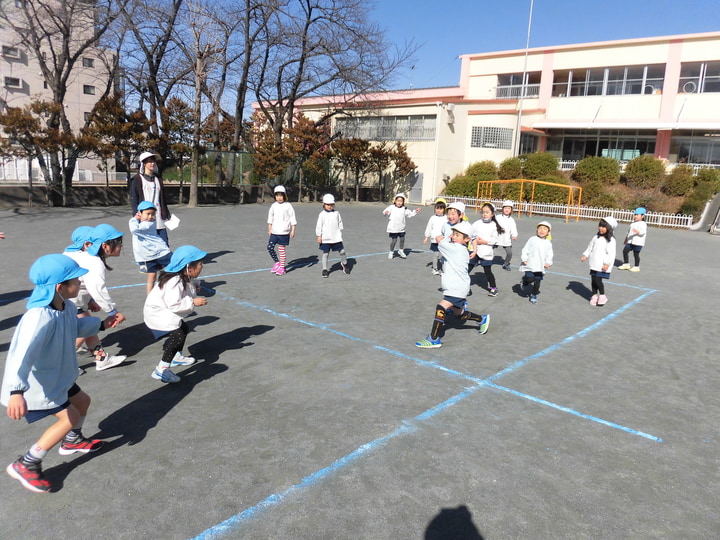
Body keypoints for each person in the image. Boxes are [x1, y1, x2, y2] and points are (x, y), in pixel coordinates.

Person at [2, 254, 120, 493]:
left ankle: (73, 440)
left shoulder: (65, 306)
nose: (80, 283)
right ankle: (27, 463)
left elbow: (75, 327)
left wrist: (101, 325)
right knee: (69, 417)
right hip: (38, 385)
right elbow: (21, 356)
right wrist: (16, 391)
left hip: (59, 377)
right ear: (60, 287)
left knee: (83, 402)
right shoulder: (38, 317)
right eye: (76, 280)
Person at [415, 221, 490, 348]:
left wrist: (446, 236)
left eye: (457, 235)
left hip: (457, 287)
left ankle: (433, 339)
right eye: (453, 234)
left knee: (441, 307)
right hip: (457, 287)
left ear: (466, 239)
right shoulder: (459, 249)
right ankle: (482, 319)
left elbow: (440, 241)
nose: (453, 237)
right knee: (459, 314)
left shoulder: (456, 249)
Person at [63, 224, 127, 371]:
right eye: (118, 243)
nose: (121, 247)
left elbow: (87, 284)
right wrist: (113, 312)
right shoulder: (94, 262)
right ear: (105, 246)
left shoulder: (84, 256)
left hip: (73, 301)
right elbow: (97, 289)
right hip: (71, 302)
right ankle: (63, 365)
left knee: (89, 328)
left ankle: (101, 358)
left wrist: (90, 300)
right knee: (84, 330)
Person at [144, 245, 208, 383]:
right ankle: (162, 369)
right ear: (188, 268)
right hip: (157, 314)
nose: (202, 266)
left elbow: (189, 283)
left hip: (163, 312)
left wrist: (195, 284)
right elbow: (174, 304)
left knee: (183, 329)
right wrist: (193, 302)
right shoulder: (174, 281)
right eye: (200, 264)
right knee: (177, 335)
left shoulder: (182, 276)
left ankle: (175, 356)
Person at [129, 151, 172, 245]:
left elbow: (163, 199)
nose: (152, 163)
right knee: (148, 245)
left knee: (164, 244)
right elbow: (134, 199)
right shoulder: (137, 179)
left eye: (153, 161)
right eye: (149, 161)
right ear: (144, 164)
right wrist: (137, 216)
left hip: (158, 217)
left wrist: (167, 214)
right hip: (145, 217)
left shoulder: (158, 179)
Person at [129, 201, 172, 293]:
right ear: (140, 213)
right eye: (148, 214)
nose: (150, 217)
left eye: (153, 214)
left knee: (172, 270)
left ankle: (178, 286)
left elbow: (134, 229)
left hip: (161, 253)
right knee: (151, 277)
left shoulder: (148, 224)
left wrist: (134, 218)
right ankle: (150, 297)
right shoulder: (142, 223)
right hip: (147, 256)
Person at [581, 216, 617, 307]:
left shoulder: (611, 240)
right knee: (593, 279)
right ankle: (594, 295)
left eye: (604, 226)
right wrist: (586, 255)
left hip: (602, 264)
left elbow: (610, 253)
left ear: (609, 228)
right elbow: (590, 247)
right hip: (594, 263)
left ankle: (602, 296)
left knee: (598, 280)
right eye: (600, 226)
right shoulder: (596, 237)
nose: (601, 228)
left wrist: (606, 263)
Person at [469, 203, 505, 297]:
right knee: (468, 268)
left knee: (487, 271)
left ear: (492, 214)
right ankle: (463, 286)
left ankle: (493, 288)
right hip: (475, 250)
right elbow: (470, 234)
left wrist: (484, 241)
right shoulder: (477, 223)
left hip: (486, 252)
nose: (485, 214)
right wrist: (474, 241)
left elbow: (494, 240)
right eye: (483, 212)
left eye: (487, 212)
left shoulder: (494, 226)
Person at [519, 221, 554, 304]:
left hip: (540, 266)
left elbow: (550, 254)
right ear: (536, 230)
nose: (542, 230)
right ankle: (525, 281)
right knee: (530, 278)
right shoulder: (532, 239)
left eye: (545, 229)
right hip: (530, 264)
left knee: (537, 282)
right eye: (540, 228)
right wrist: (524, 258)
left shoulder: (548, 243)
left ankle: (534, 294)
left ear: (548, 232)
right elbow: (525, 249)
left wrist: (548, 262)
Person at [315, 194, 348, 278]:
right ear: (324, 205)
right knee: (325, 253)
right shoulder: (322, 214)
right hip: (325, 238)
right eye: (327, 204)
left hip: (336, 237)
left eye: (331, 204)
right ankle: (325, 269)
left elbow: (340, 222)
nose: (329, 206)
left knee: (342, 252)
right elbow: (319, 225)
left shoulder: (336, 213)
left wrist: (340, 230)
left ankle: (344, 263)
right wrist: (319, 236)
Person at [267, 185, 297, 276]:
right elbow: (270, 218)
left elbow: (293, 218)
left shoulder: (288, 206)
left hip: (283, 233)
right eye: (277, 195)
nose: (279, 198)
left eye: (281, 195)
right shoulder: (273, 206)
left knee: (281, 251)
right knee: (269, 247)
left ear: (284, 195)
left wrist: (293, 230)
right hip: (274, 232)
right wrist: (269, 229)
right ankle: (277, 262)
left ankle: (282, 268)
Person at [383, 193, 420, 259]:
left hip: (401, 228)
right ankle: (391, 252)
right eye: (398, 201)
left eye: (401, 201)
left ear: (403, 202)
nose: (399, 202)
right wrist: (386, 213)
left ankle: (401, 250)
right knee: (394, 240)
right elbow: (386, 211)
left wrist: (415, 212)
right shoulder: (392, 207)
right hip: (393, 228)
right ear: (395, 201)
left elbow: (410, 214)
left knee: (402, 239)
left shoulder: (404, 209)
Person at [618, 207, 648, 272]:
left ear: (642, 216)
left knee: (636, 254)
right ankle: (626, 264)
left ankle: (636, 266)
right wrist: (626, 239)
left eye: (637, 215)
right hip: (630, 241)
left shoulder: (643, 224)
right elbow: (628, 232)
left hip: (638, 242)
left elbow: (643, 232)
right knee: (625, 251)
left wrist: (638, 232)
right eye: (635, 215)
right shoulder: (633, 224)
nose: (635, 216)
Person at [423, 198, 447, 275]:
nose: (439, 210)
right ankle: (434, 268)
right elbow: (429, 227)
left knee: (444, 255)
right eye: (437, 208)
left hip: (444, 240)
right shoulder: (432, 218)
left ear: (444, 209)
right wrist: (426, 237)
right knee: (436, 255)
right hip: (435, 240)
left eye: (441, 209)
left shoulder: (446, 218)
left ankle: (444, 270)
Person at [495, 200, 518, 271]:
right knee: (487, 248)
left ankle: (506, 264)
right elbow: (492, 224)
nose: (507, 210)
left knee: (509, 253)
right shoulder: (498, 217)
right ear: (502, 209)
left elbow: (513, 229)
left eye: (509, 208)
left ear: (511, 210)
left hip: (506, 239)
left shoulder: (511, 220)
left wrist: (514, 235)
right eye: (505, 208)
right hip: (496, 237)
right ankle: (479, 260)